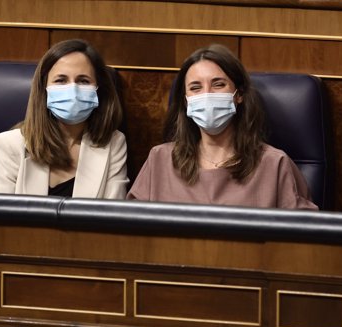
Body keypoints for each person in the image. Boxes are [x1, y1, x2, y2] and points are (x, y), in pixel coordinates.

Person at [127, 44, 317, 210]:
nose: (207, 95)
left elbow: (305, 239)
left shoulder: (275, 165)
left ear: (239, 94)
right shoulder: (159, 160)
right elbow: (132, 231)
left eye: (218, 84)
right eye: (195, 88)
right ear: (185, 102)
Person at [0, 39, 128, 198]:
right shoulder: (7, 145)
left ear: (99, 90)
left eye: (83, 81)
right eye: (61, 80)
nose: (73, 89)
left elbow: (110, 218)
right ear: (44, 89)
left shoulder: (113, 144)